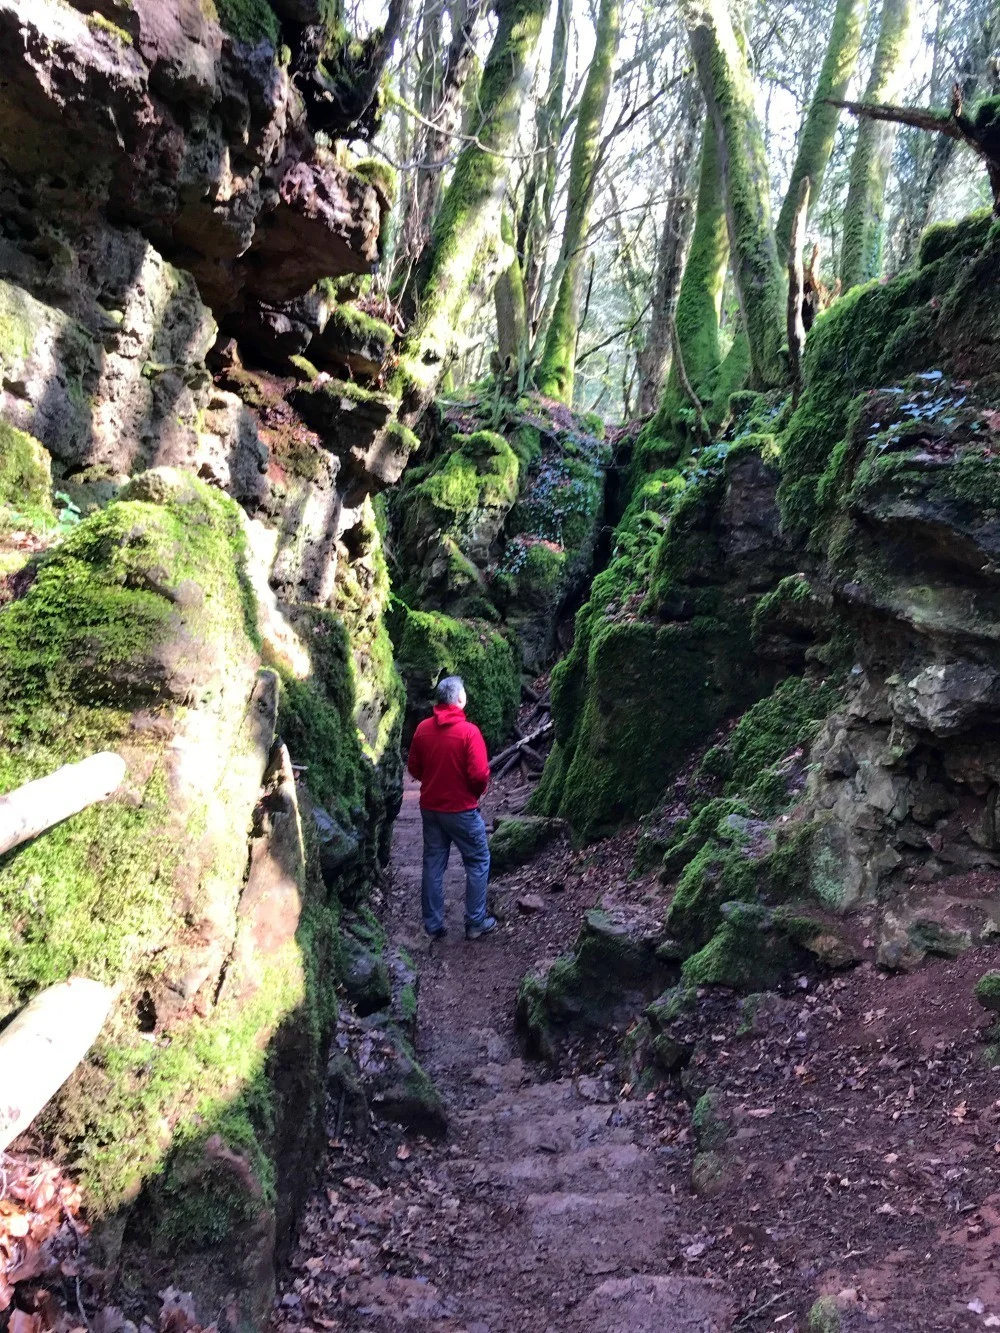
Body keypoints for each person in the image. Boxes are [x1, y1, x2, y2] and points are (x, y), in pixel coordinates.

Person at [406, 676, 498, 941]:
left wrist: (434, 780)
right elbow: (480, 774)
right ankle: (475, 922)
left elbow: (413, 767)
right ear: (459, 700)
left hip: (431, 808)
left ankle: (433, 924)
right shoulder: (469, 732)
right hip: (462, 810)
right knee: (478, 860)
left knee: (433, 864)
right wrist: (474, 792)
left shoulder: (423, 729)